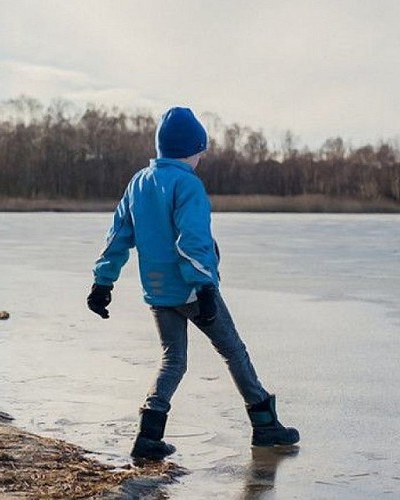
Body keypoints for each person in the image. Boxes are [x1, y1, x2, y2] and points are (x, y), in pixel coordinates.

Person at [87, 107, 299, 460]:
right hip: (191, 290)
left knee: (173, 360)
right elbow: (193, 239)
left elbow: (118, 235)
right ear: (192, 149)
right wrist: (205, 287)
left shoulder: (139, 182)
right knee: (233, 351)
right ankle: (264, 425)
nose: (202, 157)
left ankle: (148, 435)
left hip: (157, 292)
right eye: (201, 151)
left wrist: (102, 282)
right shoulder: (187, 184)